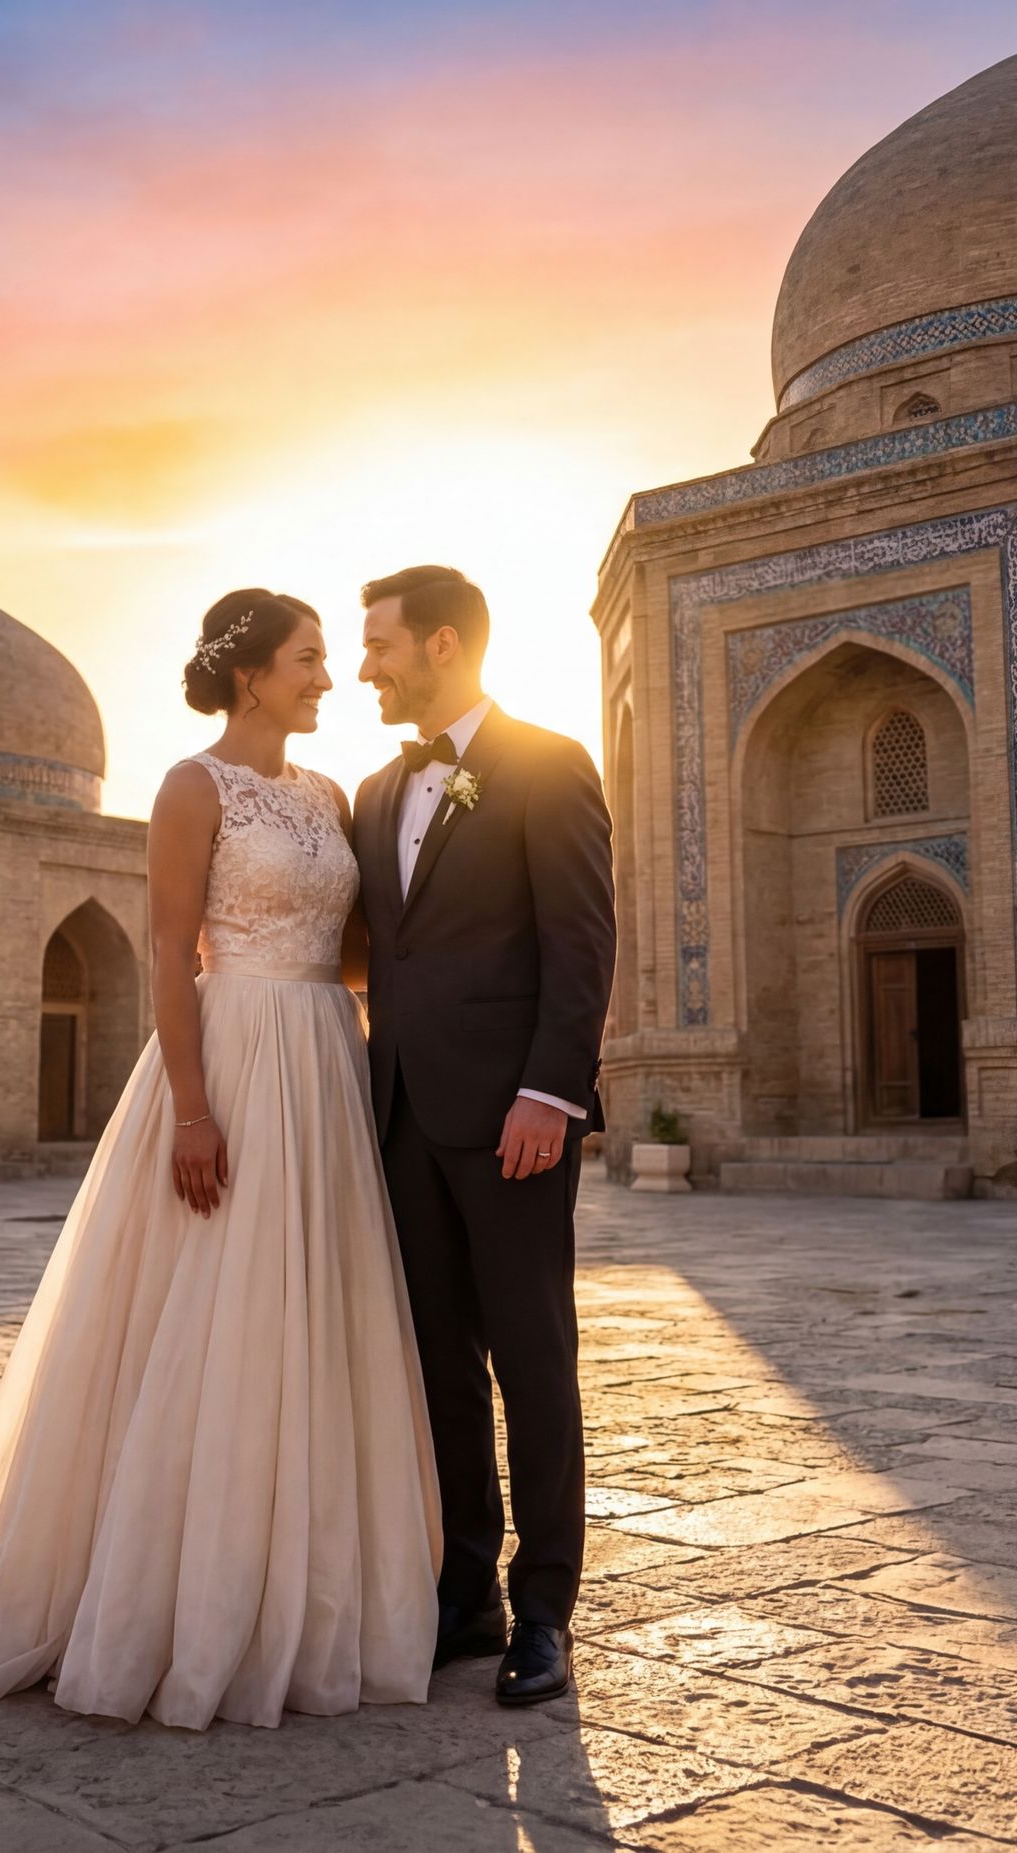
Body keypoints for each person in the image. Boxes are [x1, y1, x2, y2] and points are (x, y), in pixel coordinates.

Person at [0, 591, 440, 1731]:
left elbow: (358, 951)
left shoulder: (329, 794)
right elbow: (167, 950)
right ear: (251, 674)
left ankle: (306, 1590)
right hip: (236, 1057)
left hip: (323, 1059)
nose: (327, 678)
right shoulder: (192, 788)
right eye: (308, 659)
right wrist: (194, 1113)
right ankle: (182, 1598)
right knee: (217, 1306)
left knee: (312, 1307)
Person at [352, 565, 614, 1708]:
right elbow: (384, 950)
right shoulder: (375, 792)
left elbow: (580, 942)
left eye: (380, 645)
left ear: (443, 644)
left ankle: (545, 1608)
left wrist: (550, 1093)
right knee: (438, 1363)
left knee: (532, 1356)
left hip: (513, 1118)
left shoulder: (548, 764)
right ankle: (468, 1594)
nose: (366, 667)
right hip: (403, 1114)